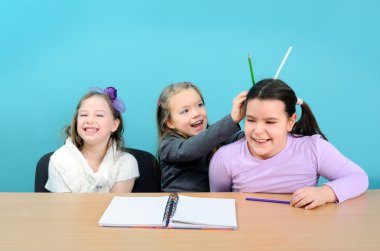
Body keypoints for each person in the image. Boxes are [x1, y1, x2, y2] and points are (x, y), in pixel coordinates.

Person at [209, 79, 368, 209]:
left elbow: (359, 177)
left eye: (270, 122)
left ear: (290, 122)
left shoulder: (313, 149)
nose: (258, 130)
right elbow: (218, 205)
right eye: (250, 120)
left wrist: (325, 193)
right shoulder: (225, 158)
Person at [157, 82, 247, 192]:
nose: (196, 113)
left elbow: (242, 139)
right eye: (185, 111)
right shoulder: (167, 145)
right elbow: (189, 150)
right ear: (170, 122)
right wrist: (232, 119)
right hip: (179, 205)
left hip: (210, 205)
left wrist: (259, 125)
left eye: (200, 105)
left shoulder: (215, 137)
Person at [45, 87, 139, 192]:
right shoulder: (59, 159)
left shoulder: (125, 163)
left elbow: (117, 207)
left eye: (99, 115)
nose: (89, 120)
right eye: (84, 115)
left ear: (114, 124)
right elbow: (64, 207)